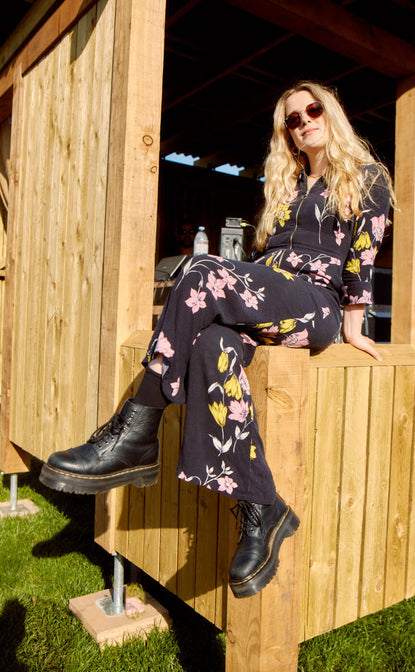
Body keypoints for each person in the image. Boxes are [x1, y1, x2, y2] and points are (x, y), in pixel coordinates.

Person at [40, 81, 395, 599]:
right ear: (287, 135)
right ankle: (262, 507)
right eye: (292, 120)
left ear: (331, 112)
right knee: (211, 347)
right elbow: (263, 258)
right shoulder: (289, 184)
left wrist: (353, 327)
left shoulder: (366, 177)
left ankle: (137, 431)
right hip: (267, 293)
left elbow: (362, 256)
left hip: (315, 301)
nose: (304, 122)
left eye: (313, 110)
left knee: (202, 269)